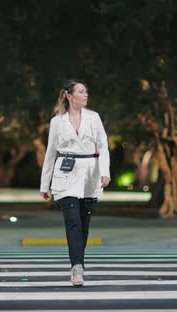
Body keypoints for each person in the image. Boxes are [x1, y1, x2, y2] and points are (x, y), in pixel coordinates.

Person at [39, 79, 111, 287]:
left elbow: (103, 147)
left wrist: (105, 172)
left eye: (86, 91)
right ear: (69, 96)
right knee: (73, 222)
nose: (86, 95)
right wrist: (45, 185)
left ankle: (79, 260)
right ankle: (76, 267)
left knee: (84, 224)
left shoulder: (94, 118)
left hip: (90, 174)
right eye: (81, 92)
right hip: (66, 175)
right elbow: (50, 153)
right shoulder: (57, 122)